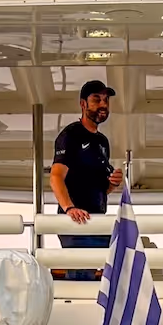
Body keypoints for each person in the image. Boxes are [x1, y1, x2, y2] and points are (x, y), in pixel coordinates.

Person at [50, 79, 124, 279]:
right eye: (96, 99)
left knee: (121, 258)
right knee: (81, 274)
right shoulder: (71, 135)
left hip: (97, 220)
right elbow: (56, 177)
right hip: (76, 223)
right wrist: (70, 208)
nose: (103, 105)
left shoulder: (102, 142)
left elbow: (102, 188)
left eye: (106, 100)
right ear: (83, 104)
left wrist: (113, 183)